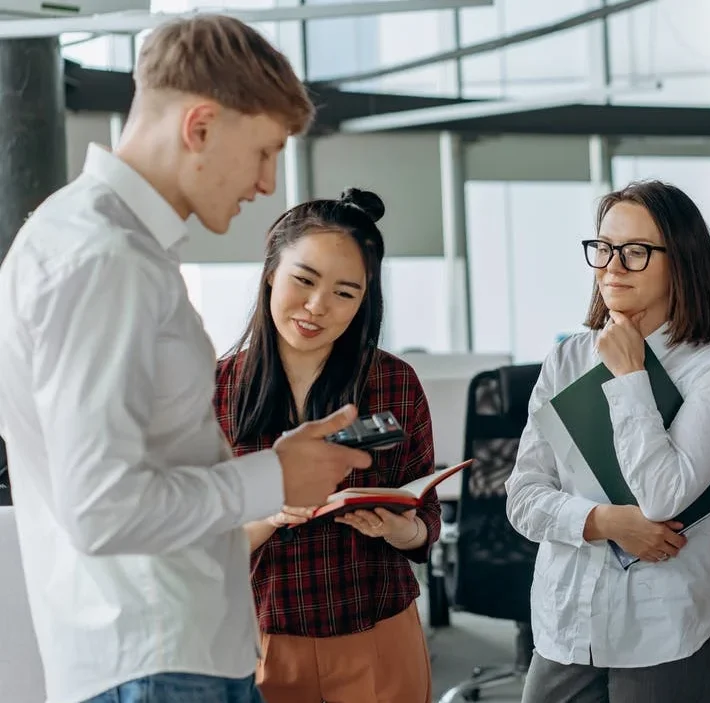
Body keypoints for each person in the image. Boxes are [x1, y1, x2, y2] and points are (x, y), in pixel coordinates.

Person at [0, 15, 374, 703]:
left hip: (173, 650)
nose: (267, 184)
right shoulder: (103, 258)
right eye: (263, 151)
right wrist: (275, 476)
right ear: (199, 127)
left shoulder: (108, 245)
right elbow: (103, 509)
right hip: (155, 658)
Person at [506, 180, 710, 702]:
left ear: (680, 261)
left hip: (666, 624)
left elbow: (664, 495)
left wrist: (629, 376)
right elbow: (522, 499)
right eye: (603, 247)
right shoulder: (567, 359)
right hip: (567, 619)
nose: (612, 265)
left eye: (636, 251)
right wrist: (605, 523)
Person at [213, 188, 439, 703]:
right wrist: (272, 513)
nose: (317, 307)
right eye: (304, 280)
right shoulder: (212, 391)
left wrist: (404, 531)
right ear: (271, 271)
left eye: (345, 292)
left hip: (376, 632)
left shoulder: (392, 382)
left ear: (364, 301)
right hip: (258, 641)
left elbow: (426, 515)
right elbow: (198, 542)